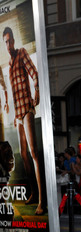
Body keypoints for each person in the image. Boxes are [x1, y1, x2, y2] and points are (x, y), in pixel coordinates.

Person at [3, 26, 47, 215]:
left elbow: (35, 73)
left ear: (14, 40)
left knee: (33, 153)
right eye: (5, 41)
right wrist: (14, 116)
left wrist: (36, 91)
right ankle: (34, 193)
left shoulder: (21, 53)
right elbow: (13, 93)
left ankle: (42, 202)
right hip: (18, 114)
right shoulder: (10, 64)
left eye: (10, 40)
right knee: (23, 154)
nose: (8, 44)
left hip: (27, 109)